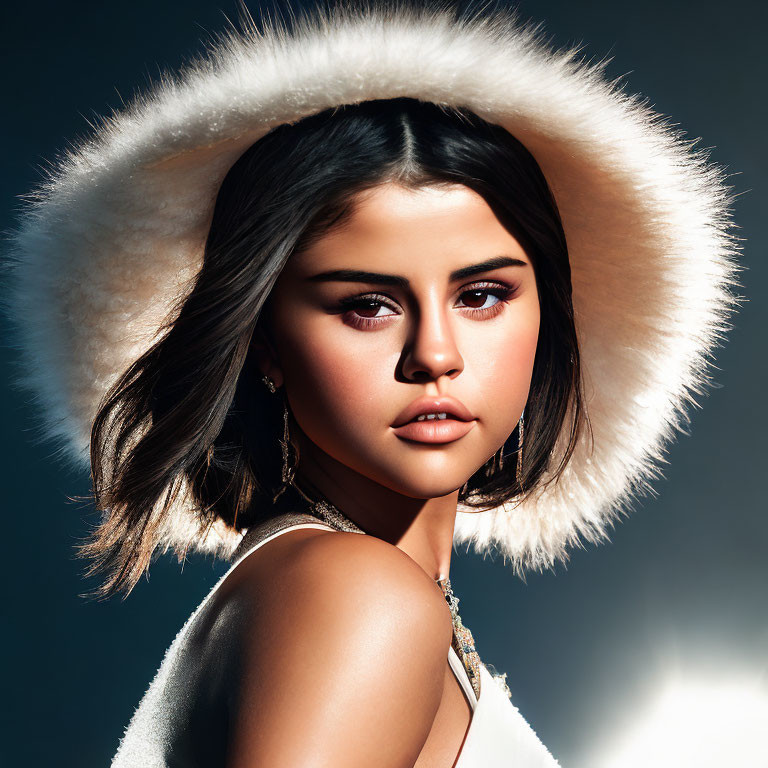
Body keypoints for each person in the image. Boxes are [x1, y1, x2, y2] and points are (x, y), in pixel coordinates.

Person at [2, 2, 742, 766]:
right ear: (265, 344)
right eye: (368, 306)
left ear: (546, 310)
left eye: (481, 295)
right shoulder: (354, 597)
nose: (435, 353)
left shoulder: (324, 584)